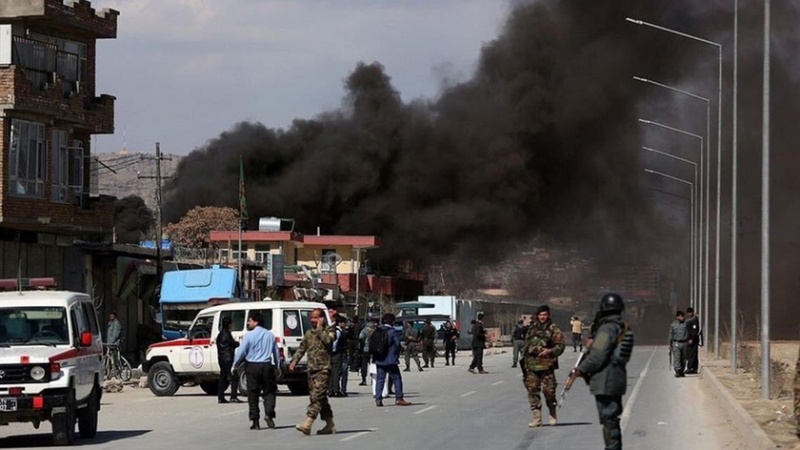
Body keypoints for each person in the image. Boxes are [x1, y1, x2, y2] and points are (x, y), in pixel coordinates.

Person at [572, 293, 634, 450]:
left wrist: (581, 369)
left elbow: (598, 356)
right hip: (617, 378)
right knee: (612, 418)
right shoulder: (622, 327)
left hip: (605, 380)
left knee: (609, 419)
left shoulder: (606, 329)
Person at [288, 308, 337, 436]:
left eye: (316, 318)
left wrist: (320, 328)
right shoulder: (309, 333)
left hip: (323, 369)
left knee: (317, 397)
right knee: (320, 398)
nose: (313, 321)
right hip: (312, 369)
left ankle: (308, 423)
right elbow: (302, 348)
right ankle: (330, 424)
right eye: (312, 318)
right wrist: (294, 362)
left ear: (321, 318)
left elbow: (328, 340)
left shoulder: (329, 330)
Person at [232, 312, 280, 430]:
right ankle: (269, 413)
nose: (248, 323)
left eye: (250, 321)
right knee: (269, 391)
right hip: (267, 365)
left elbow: (241, 351)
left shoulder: (248, 336)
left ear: (256, 322)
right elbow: (276, 352)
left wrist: (234, 365)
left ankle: (255, 421)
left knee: (253, 393)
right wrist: (278, 366)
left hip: (252, 366)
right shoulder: (270, 335)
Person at [522, 305, 565, 427]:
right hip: (531, 365)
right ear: (537, 315)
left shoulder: (553, 329)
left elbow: (560, 346)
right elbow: (526, 345)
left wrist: (549, 351)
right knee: (532, 391)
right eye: (540, 314)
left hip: (547, 366)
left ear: (548, 315)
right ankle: (537, 418)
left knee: (549, 391)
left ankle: (552, 412)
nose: (542, 317)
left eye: (545, 314)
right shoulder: (532, 328)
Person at [373, 313, 412, 407]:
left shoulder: (377, 330)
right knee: (397, 378)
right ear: (392, 321)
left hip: (379, 359)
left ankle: (378, 399)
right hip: (390, 359)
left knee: (380, 379)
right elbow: (397, 344)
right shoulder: (392, 331)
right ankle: (399, 398)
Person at [216, 317, 242, 404]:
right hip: (228, 358)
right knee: (234, 376)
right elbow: (233, 344)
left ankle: (220, 396)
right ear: (229, 324)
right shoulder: (226, 334)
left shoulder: (220, 334)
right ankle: (233, 396)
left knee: (223, 377)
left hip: (221, 358)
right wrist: (238, 342)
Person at [328, 315, 346, 397]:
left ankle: (330, 390)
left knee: (331, 372)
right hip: (336, 354)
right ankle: (336, 390)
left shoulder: (332, 331)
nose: (345, 325)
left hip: (330, 354)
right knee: (336, 372)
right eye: (344, 323)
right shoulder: (338, 332)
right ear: (340, 323)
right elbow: (335, 344)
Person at [669, 310, 688, 377]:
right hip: (676, 343)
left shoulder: (686, 324)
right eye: (681, 316)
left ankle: (682, 371)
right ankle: (677, 370)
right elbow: (671, 335)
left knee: (683, 358)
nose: (682, 318)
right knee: (677, 357)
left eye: (683, 316)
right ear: (677, 317)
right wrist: (670, 344)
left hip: (684, 343)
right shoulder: (673, 325)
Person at [357, 320, 376, 386]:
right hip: (373, 350)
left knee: (364, 365)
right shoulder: (375, 331)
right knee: (372, 365)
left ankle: (364, 379)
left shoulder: (364, 330)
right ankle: (373, 379)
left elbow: (360, 337)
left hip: (365, 350)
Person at [684, 307, 700, 374]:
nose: (689, 314)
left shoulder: (694, 320)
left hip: (693, 340)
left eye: (690, 313)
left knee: (691, 355)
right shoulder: (690, 319)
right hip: (690, 339)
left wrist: (691, 339)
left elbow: (695, 330)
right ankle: (694, 368)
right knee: (692, 354)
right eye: (688, 313)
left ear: (692, 313)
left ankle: (690, 368)